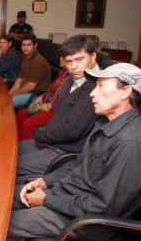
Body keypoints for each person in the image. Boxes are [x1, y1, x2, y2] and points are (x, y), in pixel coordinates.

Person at [8, 63, 141, 241]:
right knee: (1, 197)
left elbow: (101, 207)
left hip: (80, 221)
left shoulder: (130, 143)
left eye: (102, 86)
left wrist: (46, 200)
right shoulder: (104, 123)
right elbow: (78, 165)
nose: (92, 93)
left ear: (125, 92)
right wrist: (44, 182)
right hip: (65, 197)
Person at [15, 35, 100, 184]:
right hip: (55, 142)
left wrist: (42, 134)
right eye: (69, 61)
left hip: (65, 151)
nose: (73, 67)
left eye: (79, 60)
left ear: (93, 57)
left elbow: (72, 129)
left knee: (11, 165)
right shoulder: (77, 79)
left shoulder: (93, 86)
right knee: (7, 150)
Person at [16, 57, 72, 141]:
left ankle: (23, 150)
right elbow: (51, 90)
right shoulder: (62, 73)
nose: (60, 58)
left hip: (55, 110)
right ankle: (15, 140)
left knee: (27, 125)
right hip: (46, 103)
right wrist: (41, 97)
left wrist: (48, 106)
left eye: (63, 56)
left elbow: (66, 102)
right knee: (21, 114)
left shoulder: (72, 79)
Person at [8, 34, 52, 109]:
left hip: (36, 95)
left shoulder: (37, 62)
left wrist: (14, 94)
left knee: (10, 102)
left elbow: (31, 86)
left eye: (29, 45)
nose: (26, 48)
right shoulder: (26, 59)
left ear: (35, 45)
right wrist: (10, 92)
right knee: (6, 98)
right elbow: (19, 79)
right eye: (23, 45)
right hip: (26, 92)